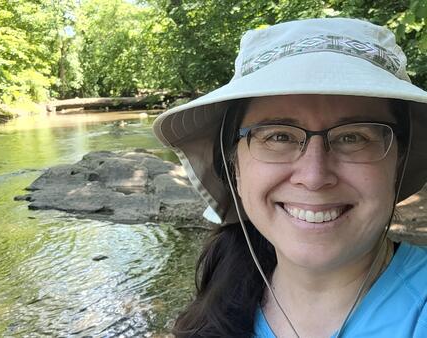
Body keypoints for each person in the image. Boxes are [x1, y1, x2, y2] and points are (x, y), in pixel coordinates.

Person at [152, 17, 427, 337]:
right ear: (234, 164)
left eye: (353, 137)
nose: (313, 176)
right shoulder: (219, 301)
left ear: (399, 160)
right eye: (278, 137)